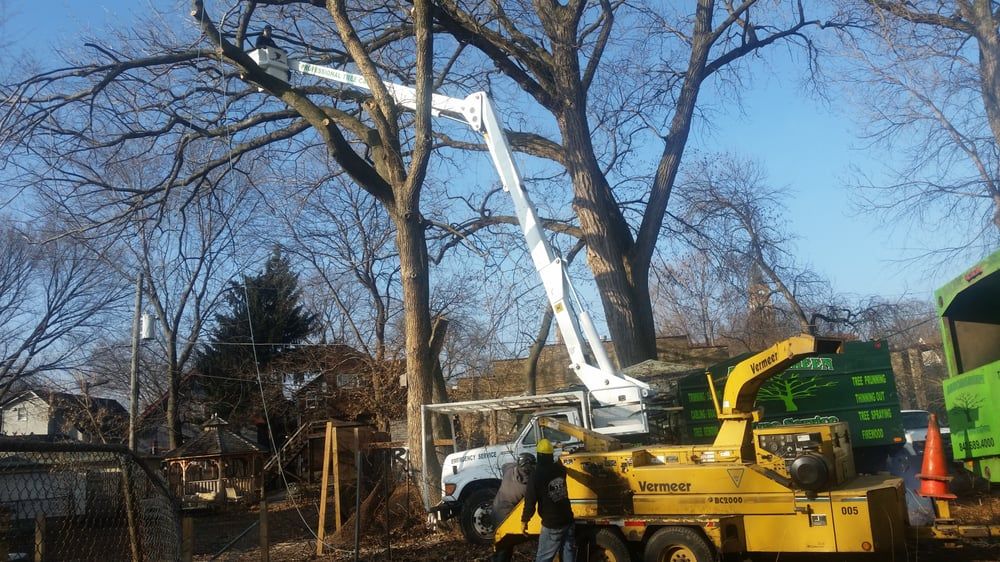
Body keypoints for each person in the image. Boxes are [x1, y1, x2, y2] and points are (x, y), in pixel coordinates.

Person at [521, 439, 575, 562]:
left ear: (539, 455)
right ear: (551, 455)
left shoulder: (536, 475)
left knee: (543, 558)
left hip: (553, 524)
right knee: (568, 554)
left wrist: (524, 520)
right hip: (568, 520)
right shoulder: (560, 469)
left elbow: (530, 501)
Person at [492, 453, 536, 562]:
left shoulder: (509, 470)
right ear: (529, 467)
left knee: (500, 546)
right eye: (533, 465)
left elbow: (504, 465)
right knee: (505, 548)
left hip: (495, 511)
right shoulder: (527, 486)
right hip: (506, 518)